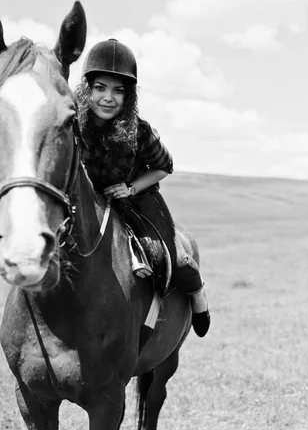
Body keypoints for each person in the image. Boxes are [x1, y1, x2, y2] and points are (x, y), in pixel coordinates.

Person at [75, 38, 210, 337]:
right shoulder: (72, 125)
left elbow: (165, 166)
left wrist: (130, 188)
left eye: (118, 90)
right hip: (90, 200)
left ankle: (197, 295)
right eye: (100, 87)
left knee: (169, 256)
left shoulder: (140, 131)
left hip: (137, 198)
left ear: (129, 95)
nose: (107, 98)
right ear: (87, 89)